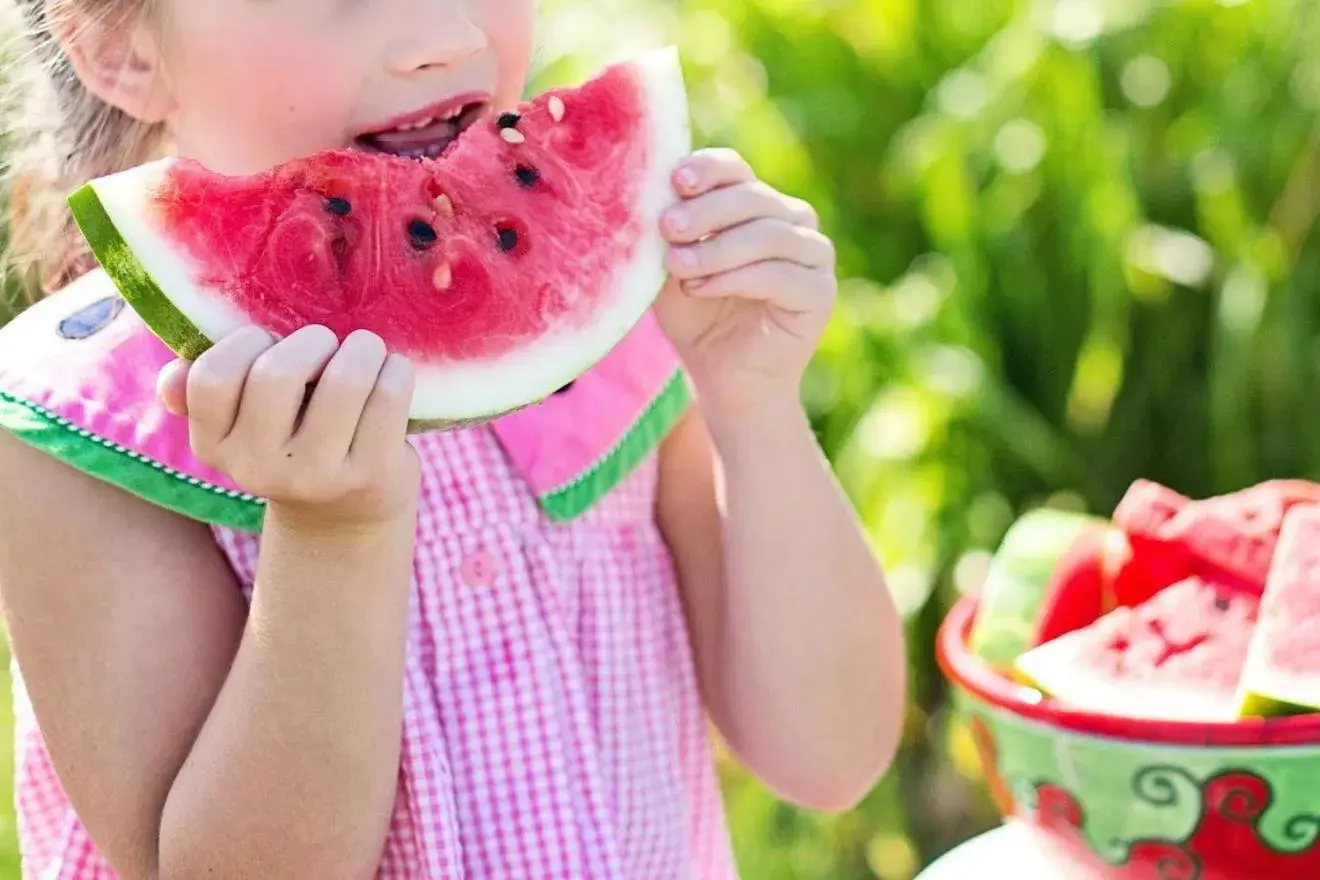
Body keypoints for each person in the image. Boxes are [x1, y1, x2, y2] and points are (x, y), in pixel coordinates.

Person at [0, 0, 906, 877]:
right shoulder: (80, 432)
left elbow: (831, 757)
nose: (445, 37)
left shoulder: (625, 309)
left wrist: (756, 408)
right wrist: (332, 539)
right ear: (121, 48)